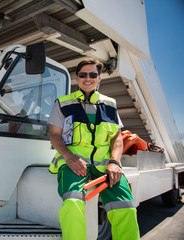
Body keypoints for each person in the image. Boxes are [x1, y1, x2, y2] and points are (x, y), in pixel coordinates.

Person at [48, 58, 140, 240]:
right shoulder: (63, 103)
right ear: (76, 78)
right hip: (74, 163)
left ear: (99, 79)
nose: (87, 78)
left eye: (92, 75)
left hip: (106, 166)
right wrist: (69, 156)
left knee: (126, 207)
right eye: (83, 75)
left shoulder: (110, 105)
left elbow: (117, 138)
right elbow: (55, 136)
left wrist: (115, 162)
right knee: (72, 203)